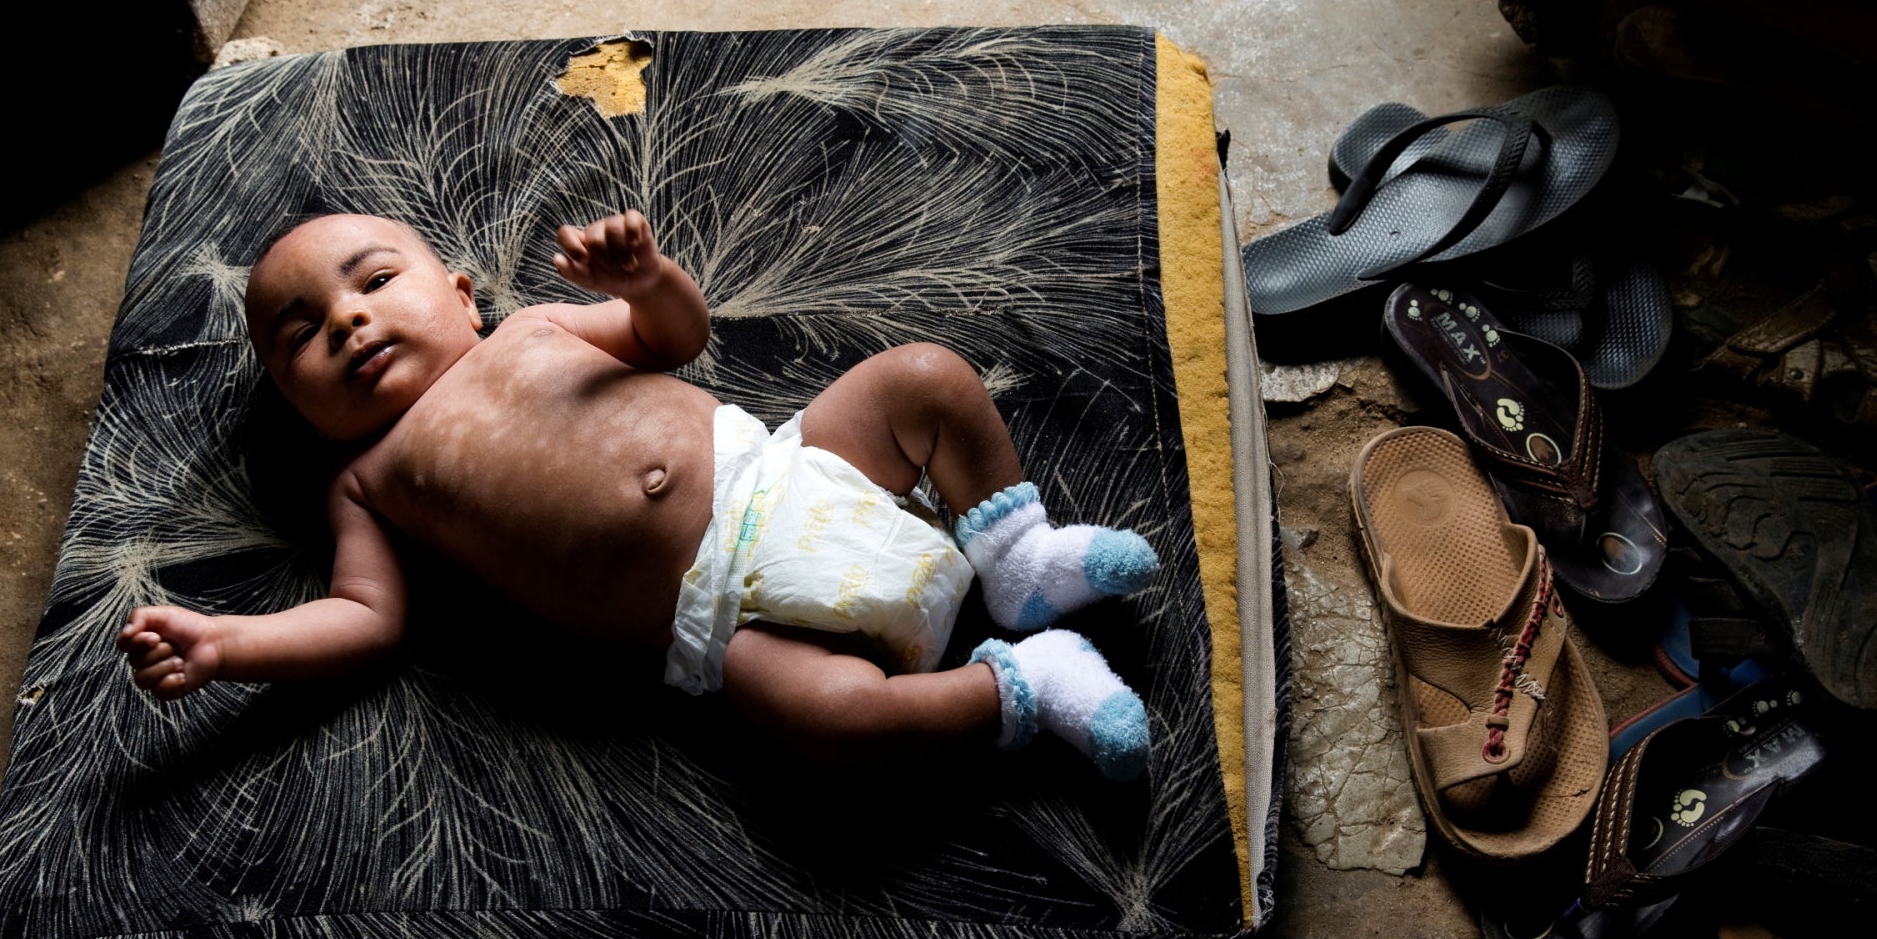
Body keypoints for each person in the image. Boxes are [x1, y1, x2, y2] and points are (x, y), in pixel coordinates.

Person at [116, 210, 1159, 777]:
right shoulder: (369, 481)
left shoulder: (533, 329)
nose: (347, 319)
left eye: (375, 280)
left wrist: (646, 281)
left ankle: (1017, 557)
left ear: (464, 298)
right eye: (302, 333)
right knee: (831, 723)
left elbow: (675, 340)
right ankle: (1025, 686)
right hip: (734, 624)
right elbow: (364, 618)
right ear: (302, 408)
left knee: (925, 377)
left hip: (794, 467)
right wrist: (231, 645)